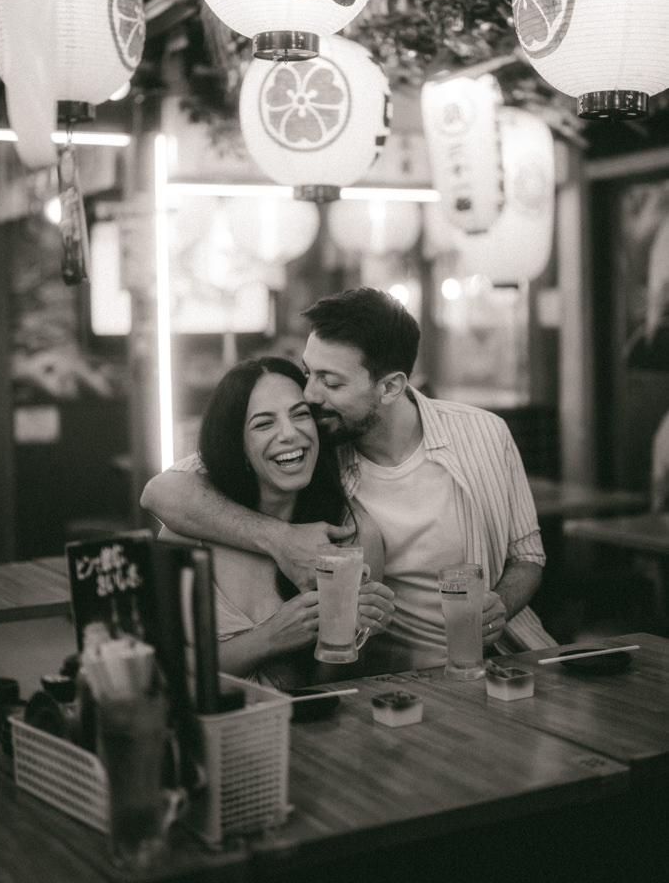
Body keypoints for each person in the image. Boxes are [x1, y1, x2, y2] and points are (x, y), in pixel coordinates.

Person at [142, 288, 555, 673]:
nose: (308, 394)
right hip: (388, 678)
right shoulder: (313, 439)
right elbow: (163, 490)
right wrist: (281, 540)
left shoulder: (484, 434)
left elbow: (528, 556)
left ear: (390, 387)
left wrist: (500, 603)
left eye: (331, 381)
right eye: (309, 372)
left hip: (498, 659)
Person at [160, 355, 394, 690]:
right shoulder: (189, 529)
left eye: (300, 415)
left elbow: (333, 691)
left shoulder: (354, 535)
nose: (290, 434)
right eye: (263, 424)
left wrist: (349, 633)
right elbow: (164, 675)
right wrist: (270, 637)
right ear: (237, 444)